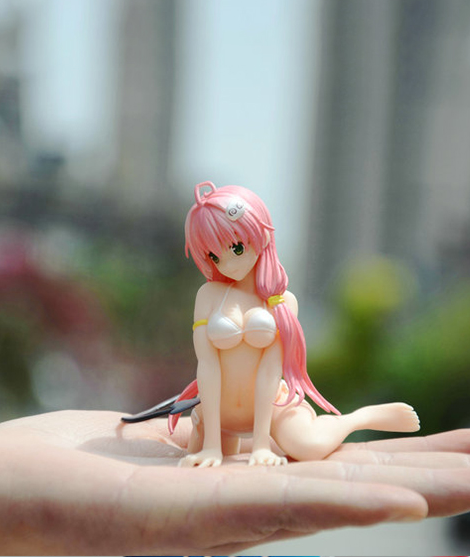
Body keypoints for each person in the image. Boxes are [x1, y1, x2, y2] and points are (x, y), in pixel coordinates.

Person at [0, 408, 470, 555]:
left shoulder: (263, 322)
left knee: (308, 440)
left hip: (277, 420)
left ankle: (363, 416)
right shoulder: (215, 318)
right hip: (234, 421)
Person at [172, 181, 419, 468]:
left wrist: (261, 445)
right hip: (218, 413)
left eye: (237, 248)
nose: (227, 264)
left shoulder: (283, 302)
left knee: (309, 447)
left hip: (271, 409)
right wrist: (212, 445)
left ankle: (357, 418)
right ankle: (213, 435)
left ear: (262, 235)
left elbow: (270, 371)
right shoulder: (209, 295)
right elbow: (207, 366)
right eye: (214, 256)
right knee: (199, 464)